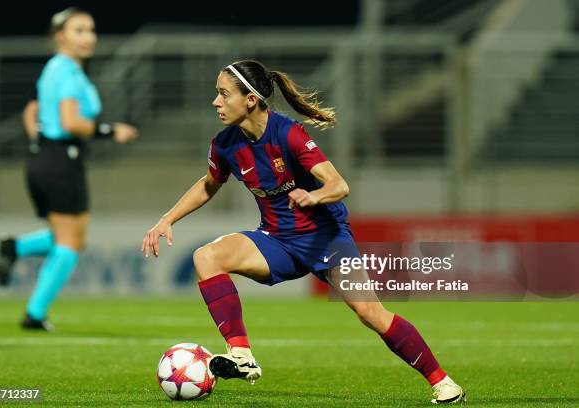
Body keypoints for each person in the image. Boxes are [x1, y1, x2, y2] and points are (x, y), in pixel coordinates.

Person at [141, 60, 465, 404]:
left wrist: (315, 196)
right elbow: (209, 185)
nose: (215, 102)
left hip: (327, 239)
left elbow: (339, 185)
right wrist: (168, 218)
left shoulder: (288, 134)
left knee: (370, 313)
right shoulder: (224, 145)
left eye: (223, 94)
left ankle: (443, 383)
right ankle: (241, 354)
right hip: (277, 241)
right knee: (206, 256)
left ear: (250, 99)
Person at [0, 7, 138, 331]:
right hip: (60, 161)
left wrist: (39, 145)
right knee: (70, 243)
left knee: (72, 238)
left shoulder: (54, 69)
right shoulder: (68, 72)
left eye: (91, 29)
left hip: (49, 158)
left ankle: (14, 248)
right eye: (79, 30)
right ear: (60, 36)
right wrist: (111, 131)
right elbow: (72, 122)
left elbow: (31, 111)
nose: (89, 37)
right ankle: (34, 313)